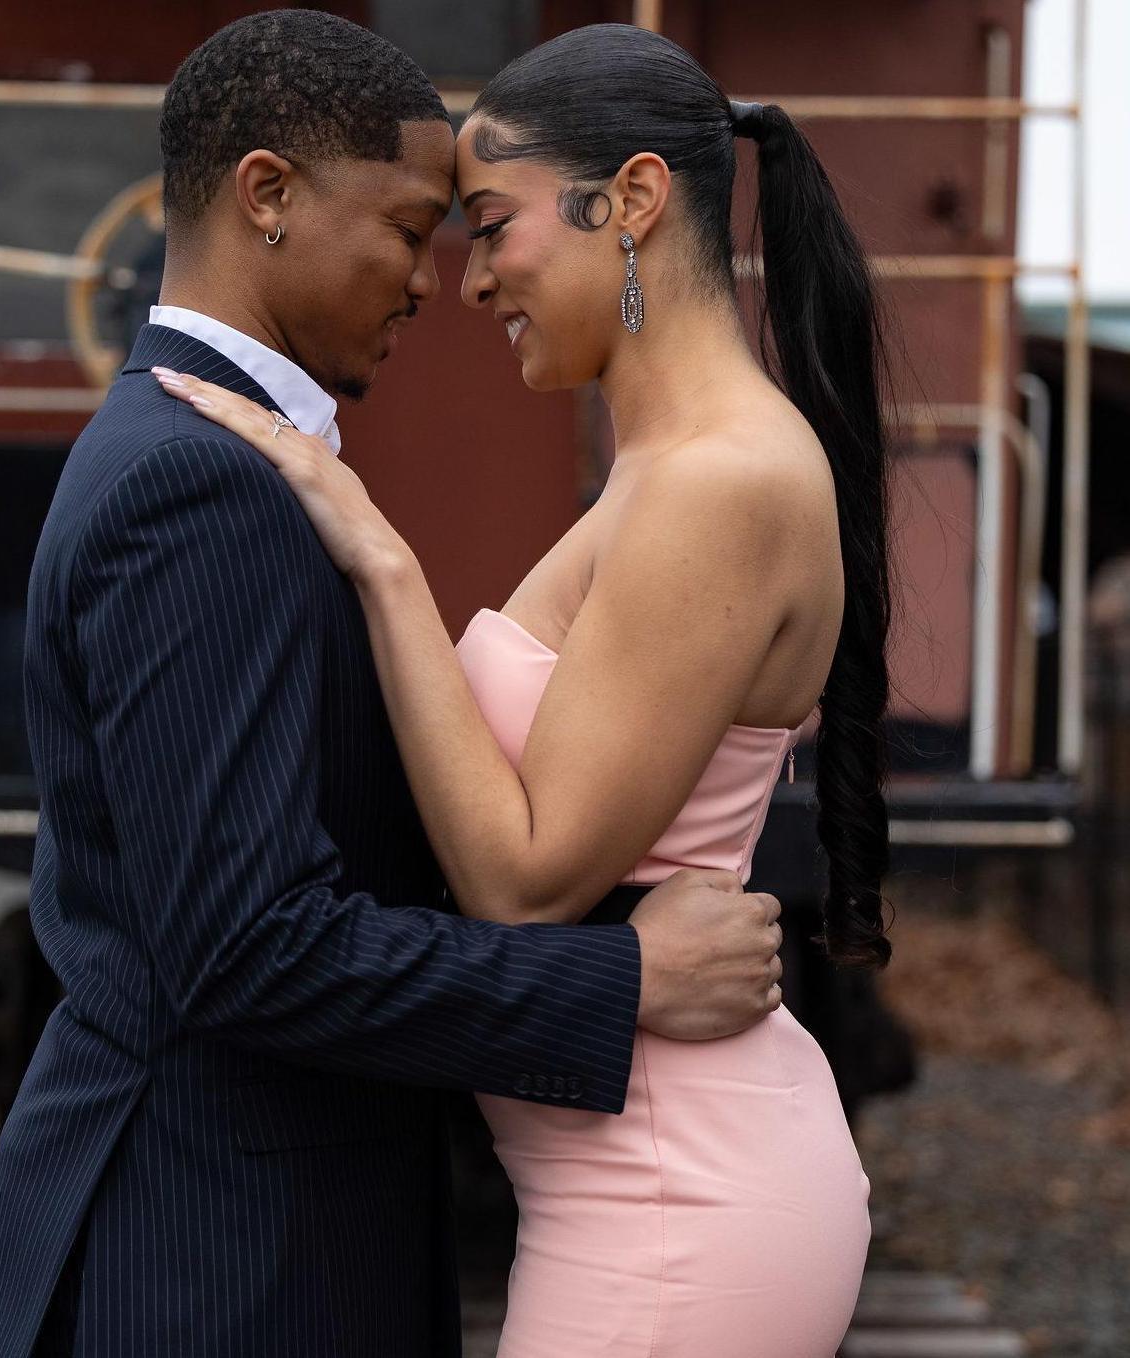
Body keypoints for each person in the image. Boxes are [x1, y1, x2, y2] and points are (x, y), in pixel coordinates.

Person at [0, 14, 784, 1358]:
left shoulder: (228, 456)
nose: (432, 282)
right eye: (407, 230)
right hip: (217, 1275)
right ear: (267, 194)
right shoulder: (198, 483)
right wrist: (619, 980)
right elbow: (245, 947)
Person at [158, 20, 892, 1358]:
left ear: (631, 201)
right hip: (634, 1181)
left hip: (674, 1198)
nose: (471, 278)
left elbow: (526, 880)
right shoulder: (667, 467)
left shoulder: (718, 482)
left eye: (494, 226)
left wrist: (382, 559)